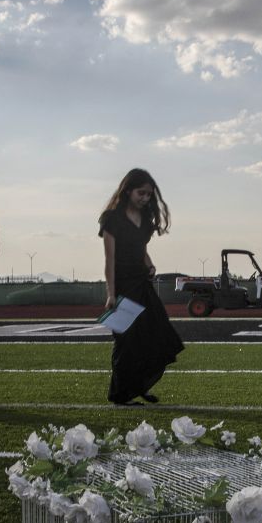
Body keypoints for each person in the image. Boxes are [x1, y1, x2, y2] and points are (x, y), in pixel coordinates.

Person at [99, 168, 184, 405]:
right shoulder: (111, 219)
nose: (145, 198)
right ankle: (120, 395)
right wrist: (111, 294)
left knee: (156, 334)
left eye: (149, 194)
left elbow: (141, 248)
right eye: (141, 193)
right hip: (122, 286)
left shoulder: (146, 219)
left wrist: (149, 263)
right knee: (126, 342)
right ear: (127, 191)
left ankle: (139, 385)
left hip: (141, 282)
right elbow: (110, 260)